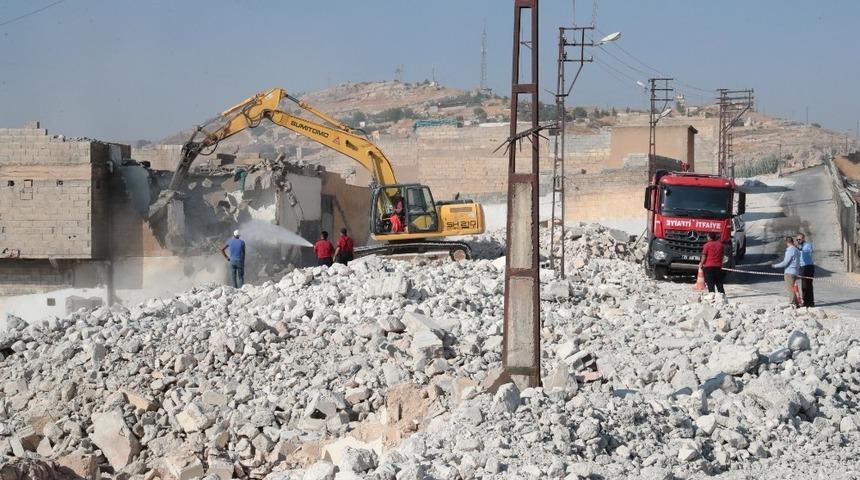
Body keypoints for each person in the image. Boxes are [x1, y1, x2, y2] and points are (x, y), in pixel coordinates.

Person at [773, 236, 801, 306]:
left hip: (789, 272)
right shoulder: (796, 250)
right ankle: (796, 303)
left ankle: (792, 303)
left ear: (787, 242)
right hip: (795, 271)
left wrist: (775, 266)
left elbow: (785, 262)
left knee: (790, 289)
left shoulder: (790, 250)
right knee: (794, 288)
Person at [796, 232, 815, 307]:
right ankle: (806, 302)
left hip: (808, 266)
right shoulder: (798, 247)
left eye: (799, 239)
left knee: (808, 285)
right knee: (804, 285)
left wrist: (799, 248)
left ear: (803, 239)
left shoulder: (807, 245)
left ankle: (810, 302)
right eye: (797, 240)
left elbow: (807, 250)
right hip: (802, 267)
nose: (798, 241)